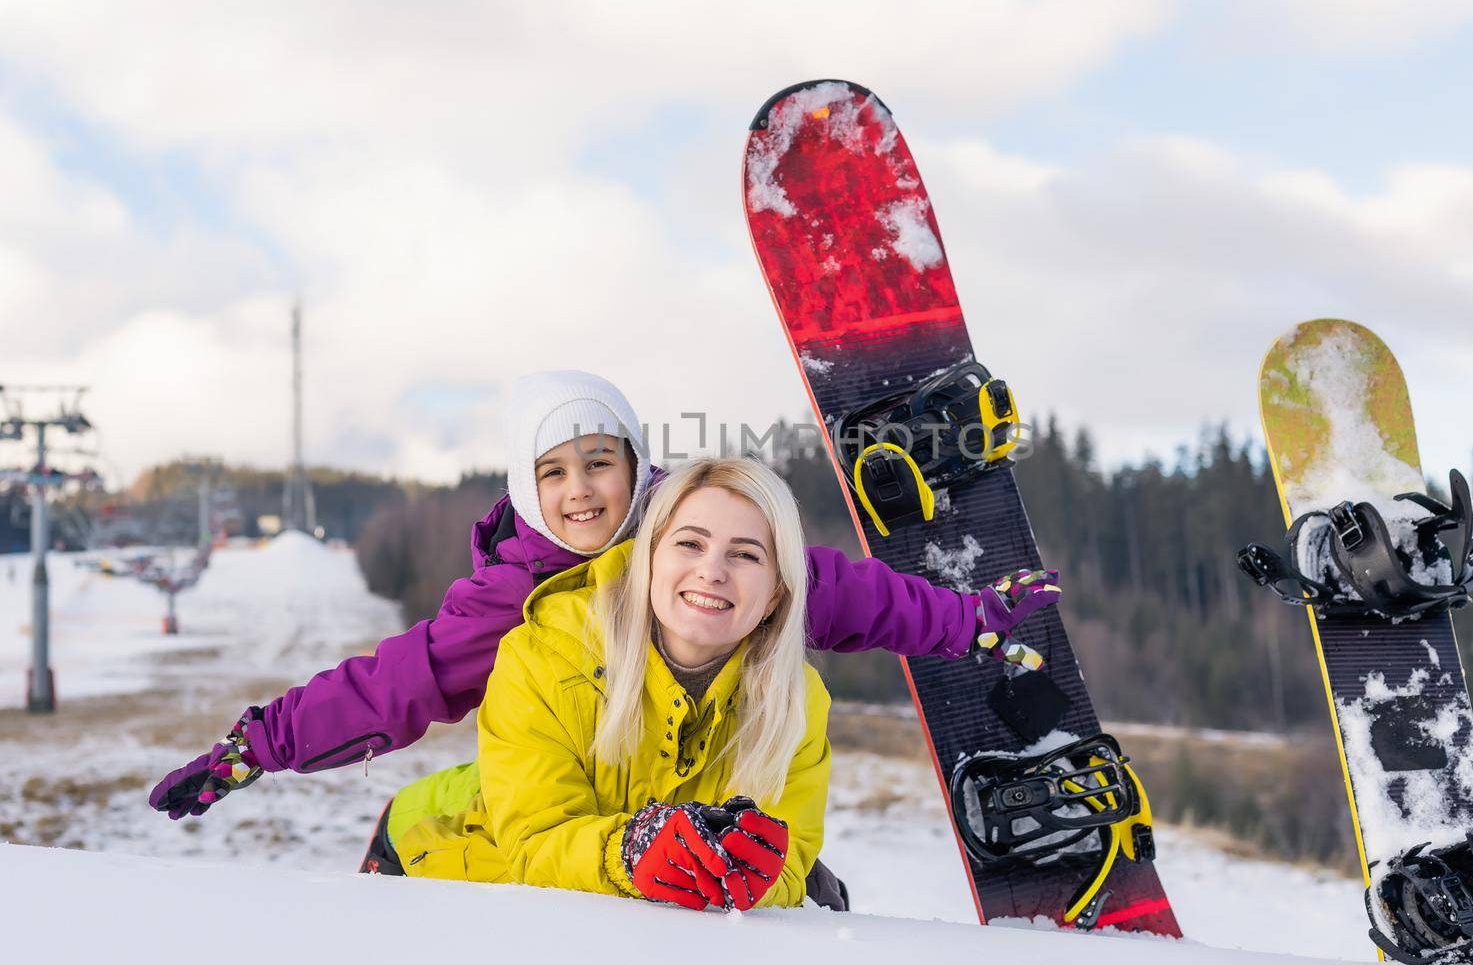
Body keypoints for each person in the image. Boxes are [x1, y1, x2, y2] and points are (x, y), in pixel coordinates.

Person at [149, 373, 1060, 848]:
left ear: (635, 463)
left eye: (598, 461)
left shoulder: (685, 529)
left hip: (678, 791)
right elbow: (393, 685)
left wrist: (962, 618)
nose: (581, 490)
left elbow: (832, 586)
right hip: (556, 806)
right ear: (524, 483)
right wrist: (258, 746)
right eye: (554, 471)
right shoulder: (512, 596)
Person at [390, 457, 829, 911]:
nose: (712, 571)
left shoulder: (796, 700)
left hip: (645, 918)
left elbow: (790, 861)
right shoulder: (543, 654)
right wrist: (633, 851)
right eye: (690, 544)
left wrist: (754, 876)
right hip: (463, 866)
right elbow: (534, 840)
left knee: (826, 894)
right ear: (650, 556)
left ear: (776, 590)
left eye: (745, 554)